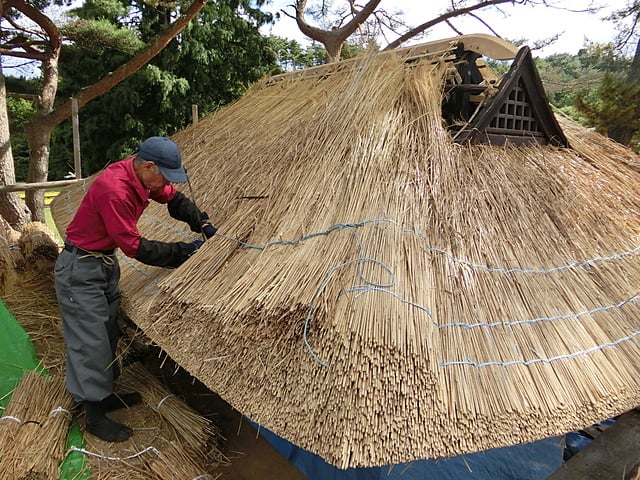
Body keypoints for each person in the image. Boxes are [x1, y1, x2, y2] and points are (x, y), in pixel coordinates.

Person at [54, 136, 217, 442]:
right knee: (90, 341)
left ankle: (103, 396)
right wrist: (185, 252)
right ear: (149, 166)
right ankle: (93, 415)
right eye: (164, 175)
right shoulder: (115, 190)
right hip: (80, 270)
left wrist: (202, 223)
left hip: (101, 263)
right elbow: (135, 248)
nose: (166, 182)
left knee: (107, 332)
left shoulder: (141, 176)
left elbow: (173, 198)